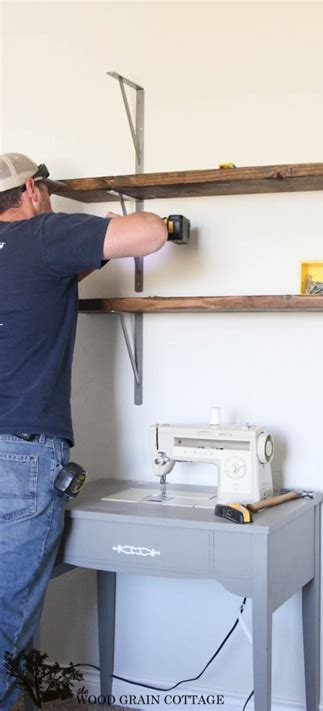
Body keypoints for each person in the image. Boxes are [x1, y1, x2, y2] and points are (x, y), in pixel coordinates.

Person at [0, 153, 168, 708]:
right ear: (31, 188)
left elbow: (39, 284)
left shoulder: (32, 260)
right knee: (3, 626)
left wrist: (81, 258)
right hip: (18, 457)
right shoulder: (43, 236)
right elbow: (146, 233)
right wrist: (164, 223)